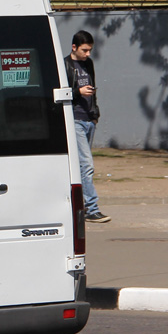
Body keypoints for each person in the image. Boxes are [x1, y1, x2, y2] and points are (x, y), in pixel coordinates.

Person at [66, 31, 110, 223]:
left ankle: (76, 205)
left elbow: (93, 88)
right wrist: (78, 92)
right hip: (74, 119)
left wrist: (95, 115)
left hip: (88, 119)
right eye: (84, 50)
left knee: (79, 166)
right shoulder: (65, 65)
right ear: (74, 47)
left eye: (90, 50)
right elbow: (60, 93)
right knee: (86, 164)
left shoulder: (88, 64)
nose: (88, 54)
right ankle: (91, 208)